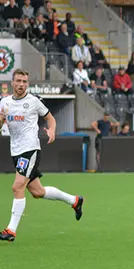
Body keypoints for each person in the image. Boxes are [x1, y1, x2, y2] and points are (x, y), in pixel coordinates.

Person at [0, 69, 84, 242]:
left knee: (17, 187)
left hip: (30, 149)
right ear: (12, 83)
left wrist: (52, 130)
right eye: (19, 81)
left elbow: (50, 118)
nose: (22, 84)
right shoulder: (4, 103)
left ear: (27, 83)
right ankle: (74, 200)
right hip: (16, 151)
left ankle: (11, 230)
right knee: (38, 192)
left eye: (25, 81)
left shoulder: (34, 101)